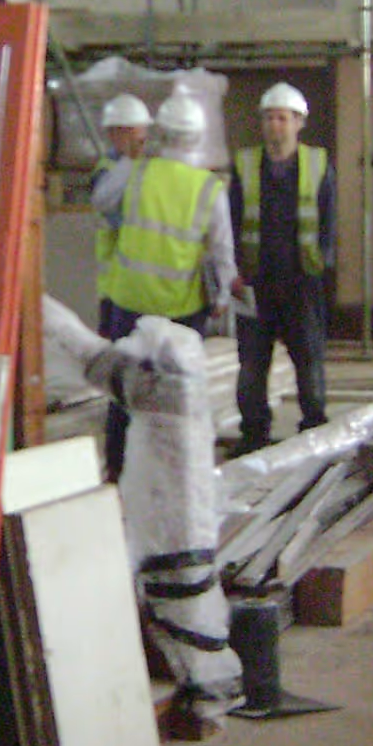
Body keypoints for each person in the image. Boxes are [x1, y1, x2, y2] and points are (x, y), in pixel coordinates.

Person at [96, 92, 236, 480]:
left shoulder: (139, 170)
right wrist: (222, 295)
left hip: (130, 302)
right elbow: (222, 252)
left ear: (161, 133)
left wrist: (130, 158)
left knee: (124, 392)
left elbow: (101, 200)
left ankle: (118, 470)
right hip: (182, 308)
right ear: (196, 138)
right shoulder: (209, 188)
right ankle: (178, 473)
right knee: (181, 395)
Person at [231, 81, 334, 453]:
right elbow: (232, 218)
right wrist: (235, 271)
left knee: (309, 360)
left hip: (300, 281)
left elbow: (328, 220)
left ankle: (314, 428)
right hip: (256, 280)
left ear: (299, 123)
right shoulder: (244, 165)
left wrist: (321, 264)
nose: (276, 125)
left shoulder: (318, 163)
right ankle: (254, 434)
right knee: (252, 365)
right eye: (270, 118)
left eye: (283, 118)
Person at [89, 91, 152, 281]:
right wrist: (129, 161)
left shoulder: (145, 165)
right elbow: (103, 203)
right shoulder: (107, 169)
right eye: (134, 134)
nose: (140, 142)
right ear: (114, 133)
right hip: (115, 270)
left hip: (141, 269)